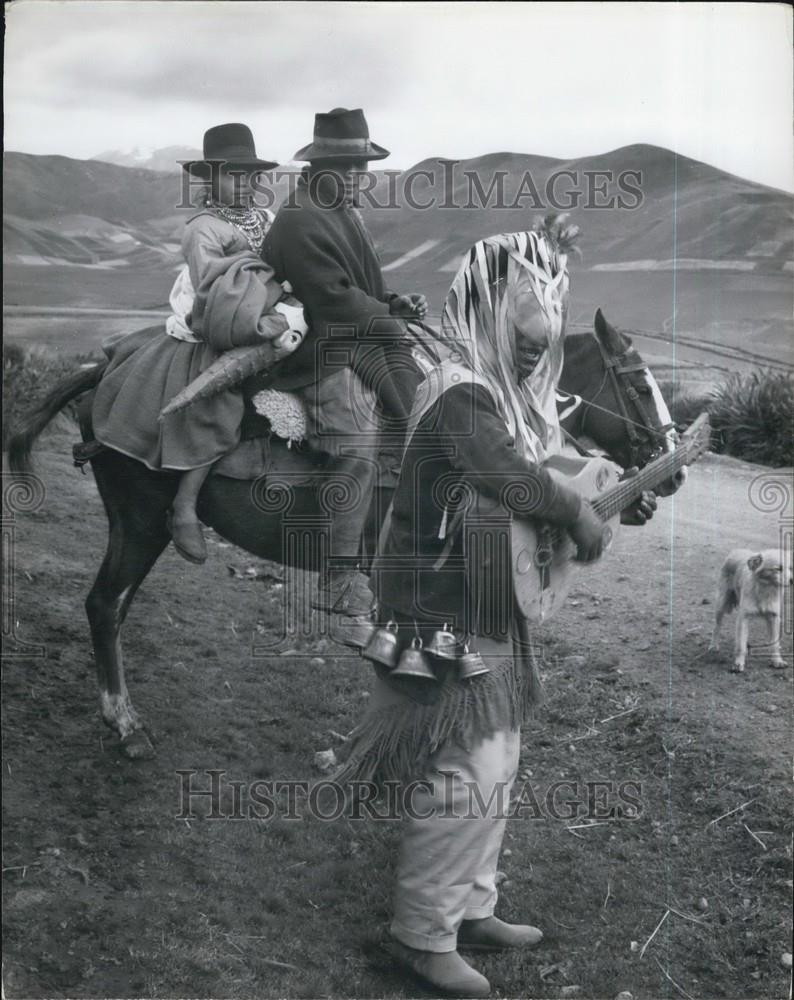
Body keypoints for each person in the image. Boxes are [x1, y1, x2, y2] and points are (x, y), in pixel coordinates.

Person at [337, 226, 658, 997]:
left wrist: (595, 482)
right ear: (484, 309)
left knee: (499, 758)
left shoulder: (490, 391)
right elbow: (509, 477)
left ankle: (470, 907)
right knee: (467, 769)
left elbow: (534, 463)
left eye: (542, 328)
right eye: (522, 324)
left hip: (482, 599)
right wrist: (577, 516)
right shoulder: (458, 390)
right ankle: (421, 935)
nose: (534, 343)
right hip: (439, 604)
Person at [91, 124, 306, 563]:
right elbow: (216, 290)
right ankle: (185, 506)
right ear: (210, 178)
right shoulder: (203, 230)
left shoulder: (264, 219)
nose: (246, 183)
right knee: (218, 399)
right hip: (219, 323)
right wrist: (266, 311)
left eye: (252, 175)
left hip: (270, 313)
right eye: (234, 175)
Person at [263, 107, 427, 647]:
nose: (363, 176)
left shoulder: (339, 209)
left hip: (353, 336)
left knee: (420, 403)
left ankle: (396, 545)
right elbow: (330, 299)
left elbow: (355, 286)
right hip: (314, 352)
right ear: (325, 166)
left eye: (365, 166)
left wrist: (392, 301)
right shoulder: (302, 217)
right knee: (357, 444)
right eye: (354, 166)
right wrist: (386, 315)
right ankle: (337, 579)